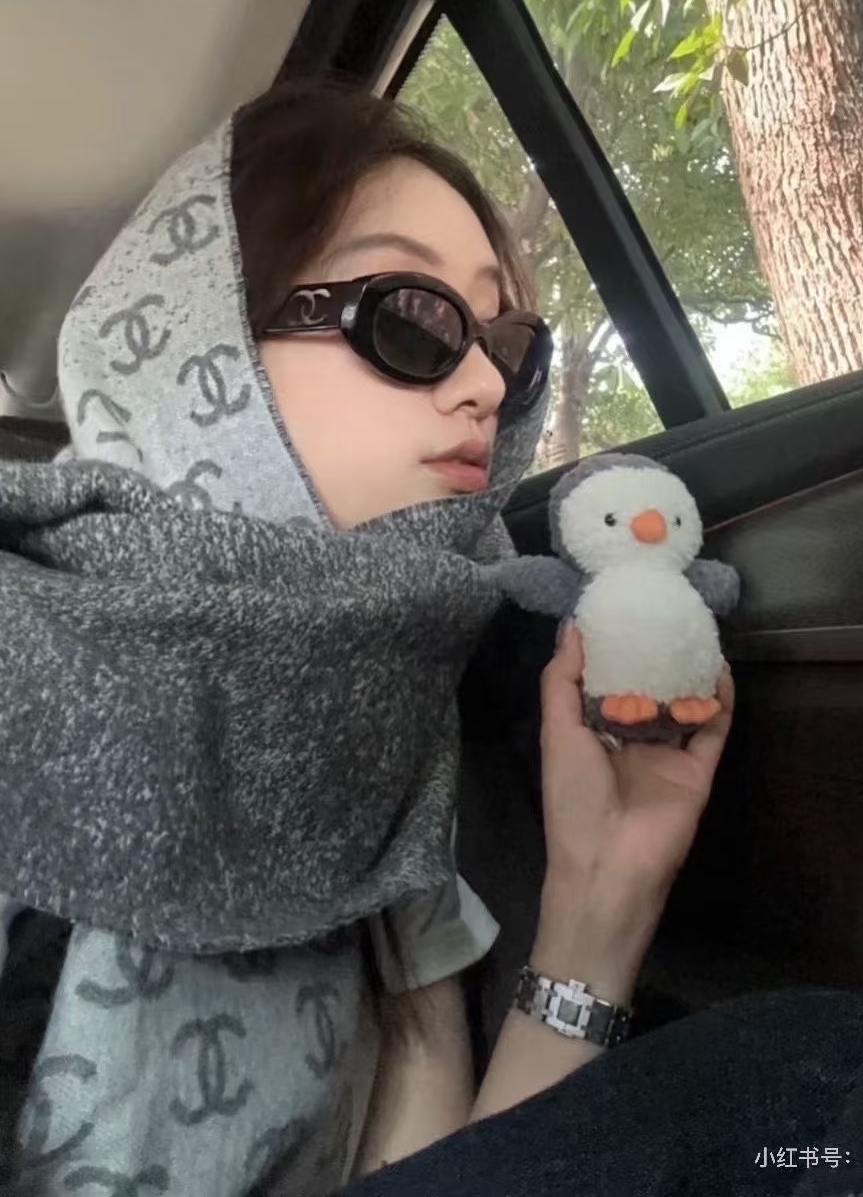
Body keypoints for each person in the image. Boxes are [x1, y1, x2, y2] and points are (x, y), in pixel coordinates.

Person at [0, 75, 735, 1195]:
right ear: (197, 344)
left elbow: (437, 1177)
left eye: (508, 344)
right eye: (417, 318)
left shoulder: (390, 704)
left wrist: (600, 906)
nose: (487, 384)